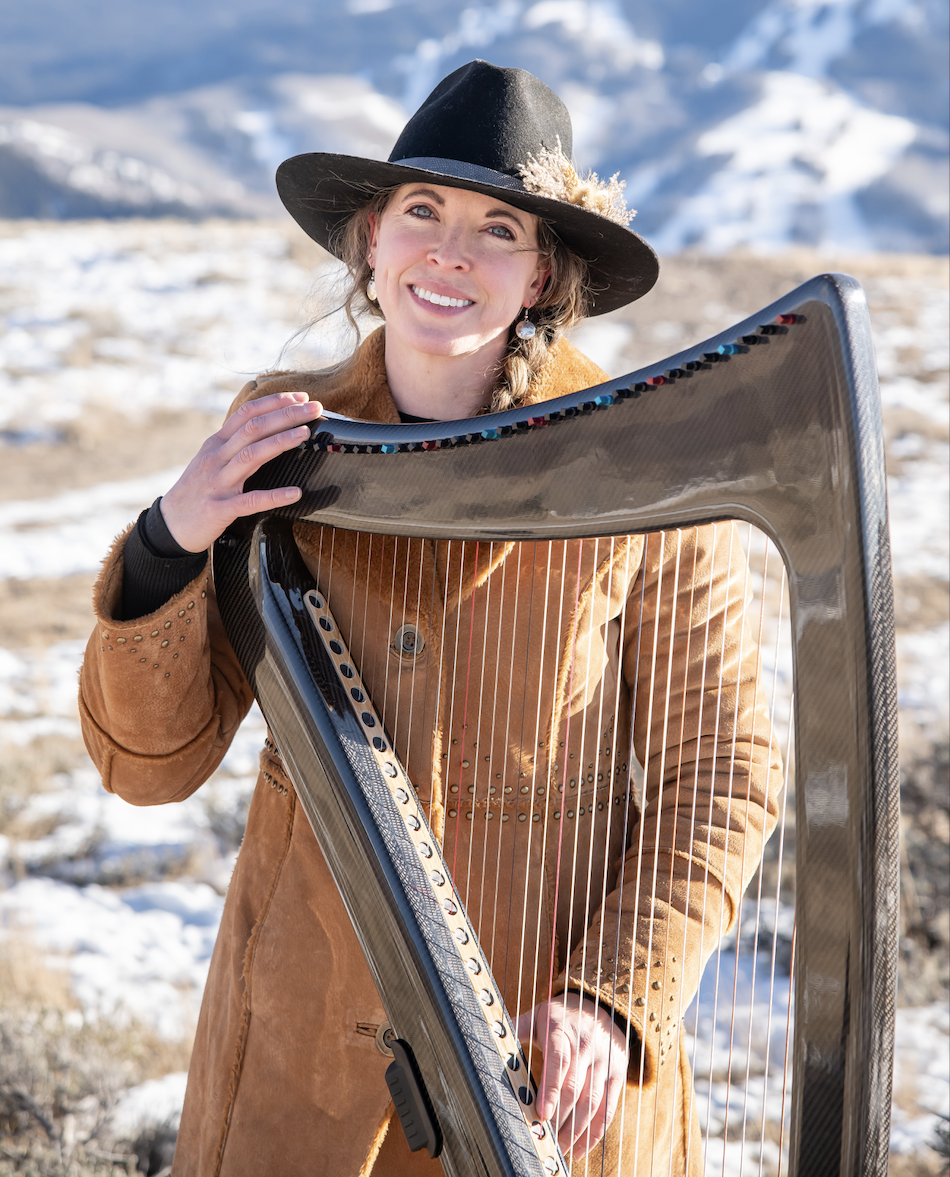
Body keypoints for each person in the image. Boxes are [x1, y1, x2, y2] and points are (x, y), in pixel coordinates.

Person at [79, 61, 782, 1176]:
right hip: (298, 1057)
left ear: (543, 270)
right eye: (421, 211)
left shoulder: (648, 471)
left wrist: (613, 995)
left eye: (497, 227)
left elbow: (722, 776)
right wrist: (169, 540)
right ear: (370, 239)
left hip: (549, 1081)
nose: (449, 251)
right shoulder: (277, 435)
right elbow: (148, 772)